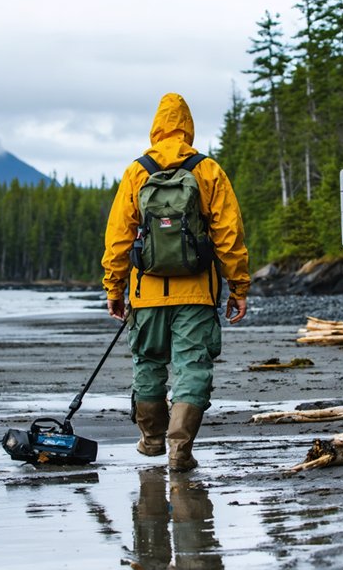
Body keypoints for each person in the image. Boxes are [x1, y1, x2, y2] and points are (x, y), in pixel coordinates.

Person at [101, 92, 250, 472]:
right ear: (188, 127)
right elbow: (228, 235)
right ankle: (179, 452)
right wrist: (239, 287)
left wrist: (114, 288)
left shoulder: (137, 171)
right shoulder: (208, 170)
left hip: (146, 293)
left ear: (156, 127)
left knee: (148, 363)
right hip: (197, 292)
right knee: (192, 368)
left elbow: (119, 237)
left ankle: (152, 441)